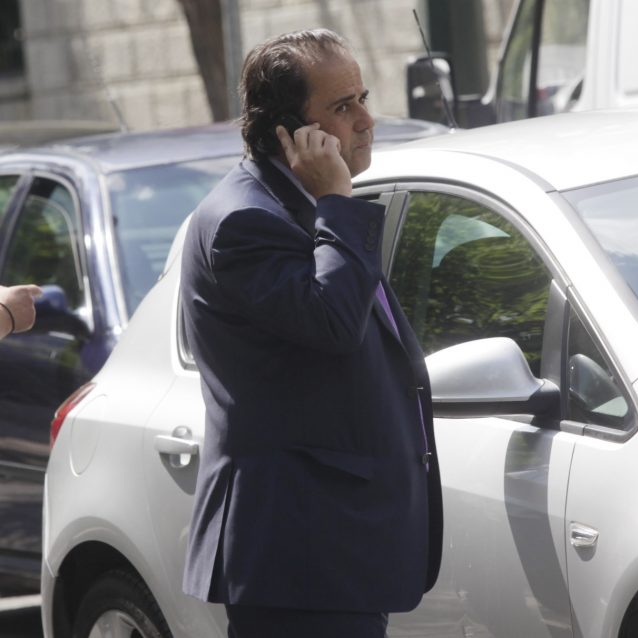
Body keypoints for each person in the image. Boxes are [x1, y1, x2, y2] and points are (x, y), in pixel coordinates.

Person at [179, 29, 442, 638]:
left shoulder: (299, 206)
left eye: (363, 98)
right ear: (290, 132)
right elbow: (334, 323)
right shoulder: (246, 220)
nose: (366, 121)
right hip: (297, 552)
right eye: (343, 107)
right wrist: (337, 202)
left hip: (336, 550)